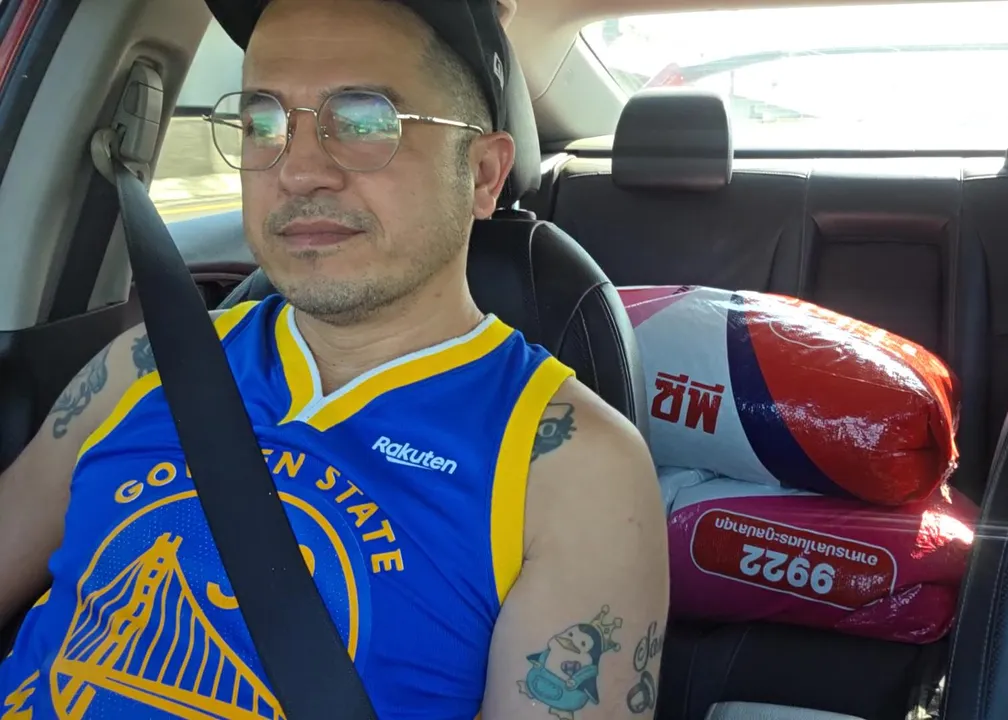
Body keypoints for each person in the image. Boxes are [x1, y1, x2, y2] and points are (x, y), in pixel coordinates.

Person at [0, 0, 669, 717]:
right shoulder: (144, 362)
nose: (298, 172)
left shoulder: (573, 471)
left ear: (482, 174)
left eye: (364, 121)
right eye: (263, 124)